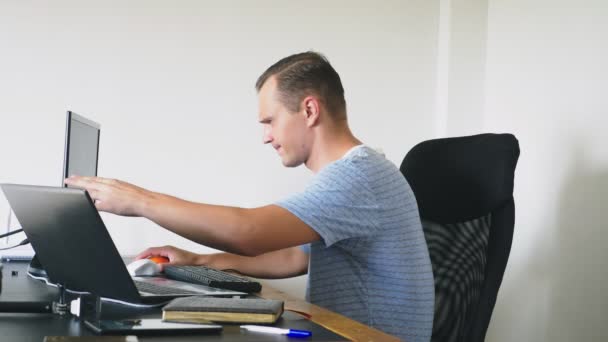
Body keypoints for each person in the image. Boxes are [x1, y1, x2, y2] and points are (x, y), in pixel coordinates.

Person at [65, 51, 434, 341]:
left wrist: (139, 200)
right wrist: (201, 260)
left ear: (309, 110)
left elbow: (250, 232)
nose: (266, 136)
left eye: (270, 121)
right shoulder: (354, 176)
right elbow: (293, 256)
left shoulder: (358, 176)